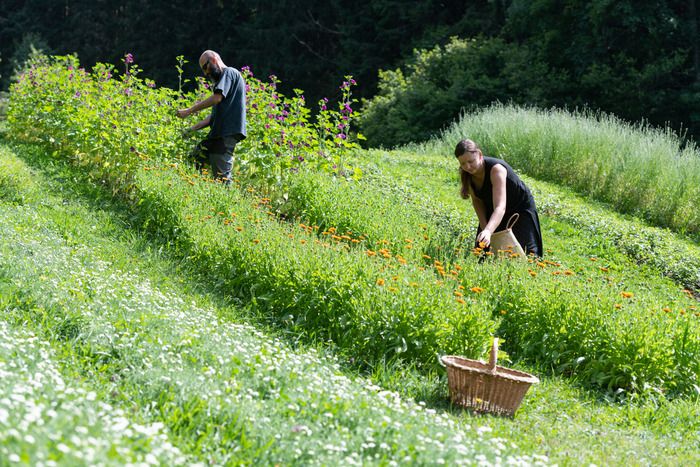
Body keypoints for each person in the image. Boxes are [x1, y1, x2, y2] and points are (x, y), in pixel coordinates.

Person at [455, 138, 543, 257]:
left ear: (480, 155)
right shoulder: (468, 173)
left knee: (526, 253)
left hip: (519, 208)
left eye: (471, 161)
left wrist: (488, 231)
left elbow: (500, 207)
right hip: (493, 207)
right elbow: (477, 200)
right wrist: (484, 227)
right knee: (484, 252)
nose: (468, 167)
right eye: (463, 163)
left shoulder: (496, 170)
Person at [177, 50, 247, 184]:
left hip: (226, 134)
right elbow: (213, 117)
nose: (205, 73)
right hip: (218, 134)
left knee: (222, 177)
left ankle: (227, 202)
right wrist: (191, 130)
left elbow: (216, 98)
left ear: (214, 59)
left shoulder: (229, 73)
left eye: (205, 67)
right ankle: (199, 192)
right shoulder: (224, 81)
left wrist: (189, 111)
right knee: (195, 158)